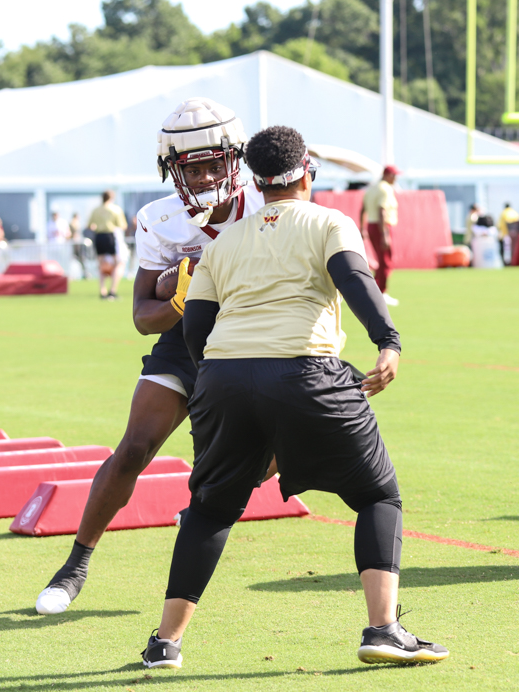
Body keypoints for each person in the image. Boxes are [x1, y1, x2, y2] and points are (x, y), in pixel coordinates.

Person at [139, 124, 448, 670]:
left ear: (254, 181)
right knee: (378, 497)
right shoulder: (329, 222)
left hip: (224, 379)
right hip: (307, 372)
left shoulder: (223, 241)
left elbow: (197, 328)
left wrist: (217, 388)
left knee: (210, 511)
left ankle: (166, 643)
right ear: (308, 171)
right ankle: (384, 630)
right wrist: (388, 341)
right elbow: (355, 280)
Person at [34, 98, 265, 617]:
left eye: (213, 164)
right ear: (171, 169)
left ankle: (211, 497)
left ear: (236, 158)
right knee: (134, 447)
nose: (205, 177)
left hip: (254, 339)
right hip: (188, 339)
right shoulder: (160, 219)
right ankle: (75, 564)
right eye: (192, 168)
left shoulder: (265, 203)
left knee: (286, 444)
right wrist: (181, 295)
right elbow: (142, 315)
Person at [360, 165, 401, 306]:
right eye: (394, 176)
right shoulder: (385, 189)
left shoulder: (372, 188)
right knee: (386, 262)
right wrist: (384, 234)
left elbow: (363, 209)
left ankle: (375, 291)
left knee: (382, 261)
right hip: (382, 226)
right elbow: (382, 211)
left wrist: (362, 227)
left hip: (372, 225)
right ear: (388, 175)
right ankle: (380, 292)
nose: (395, 179)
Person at [88, 191, 128, 299]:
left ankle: (102, 291)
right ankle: (112, 291)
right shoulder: (115, 209)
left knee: (101, 264)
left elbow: (90, 225)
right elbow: (123, 225)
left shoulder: (96, 210)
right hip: (111, 236)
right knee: (117, 263)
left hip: (99, 237)